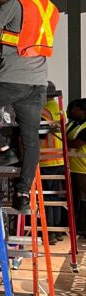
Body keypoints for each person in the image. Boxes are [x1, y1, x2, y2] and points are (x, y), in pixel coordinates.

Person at [0, 0, 60, 213]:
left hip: (12, 78)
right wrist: (3, 5)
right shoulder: (51, 9)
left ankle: (2, 147)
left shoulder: (18, 4)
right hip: (37, 83)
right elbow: (27, 28)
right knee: (30, 139)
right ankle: (23, 193)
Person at [39, 85, 67, 230]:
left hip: (46, 160)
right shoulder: (60, 109)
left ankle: (49, 230)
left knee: (48, 198)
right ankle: (56, 229)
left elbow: (40, 135)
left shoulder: (44, 110)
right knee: (55, 196)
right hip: (59, 159)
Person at [67, 99, 86, 235]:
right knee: (75, 199)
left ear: (82, 110)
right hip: (71, 168)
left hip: (83, 169)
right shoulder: (73, 124)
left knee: (84, 199)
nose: (71, 111)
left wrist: (62, 140)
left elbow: (75, 144)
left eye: (74, 109)